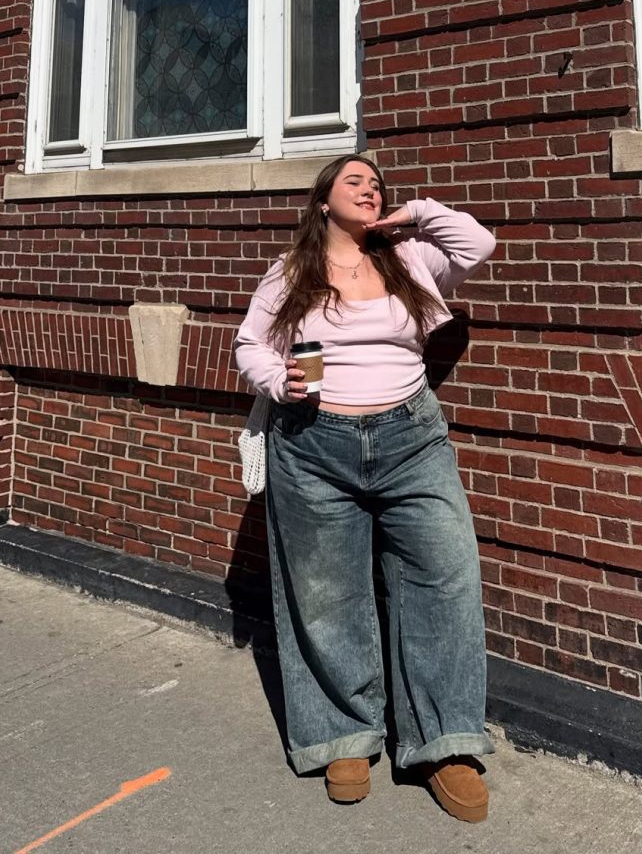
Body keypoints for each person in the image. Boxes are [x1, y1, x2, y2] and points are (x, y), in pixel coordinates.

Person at [233, 154, 496, 822]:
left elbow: (477, 244)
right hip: (313, 443)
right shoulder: (290, 272)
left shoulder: (408, 258)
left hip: (411, 440)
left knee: (445, 575)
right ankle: (343, 735)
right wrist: (279, 380)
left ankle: (445, 743)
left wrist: (415, 213)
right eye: (353, 180)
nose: (369, 188)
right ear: (323, 201)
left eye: (376, 183)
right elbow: (249, 345)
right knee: (327, 592)